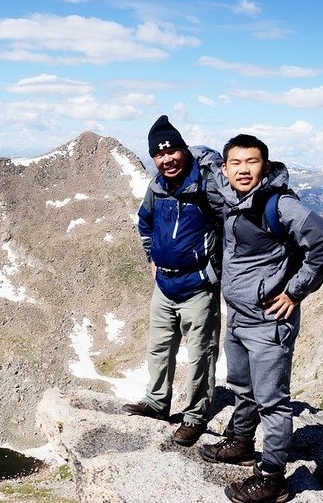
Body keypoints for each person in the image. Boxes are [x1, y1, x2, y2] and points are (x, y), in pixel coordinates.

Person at [199, 134, 323, 503]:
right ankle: (242, 443)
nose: (243, 169)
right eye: (236, 163)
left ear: (266, 165)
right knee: (241, 386)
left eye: (252, 161)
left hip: (268, 321)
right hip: (239, 316)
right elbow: (200, 158)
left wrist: (294, 292)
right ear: (225, 168)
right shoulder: (230, 197)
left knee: (272, 401)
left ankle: (273, 479)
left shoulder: (279, 205)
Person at [122, 115, 225, 447]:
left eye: (172, 151)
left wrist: (218, 269)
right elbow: (145, 221)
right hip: (165, 285)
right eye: (159, 154)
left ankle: (195, 416)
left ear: (183, 149)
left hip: (198, 287)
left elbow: (234, 227)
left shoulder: (208, 184)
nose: (166, 159)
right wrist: (151, 258)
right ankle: (156, 403)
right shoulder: (157, 187)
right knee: (159, 348)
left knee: (200, 355)